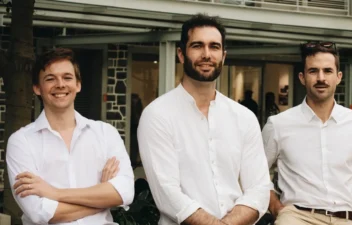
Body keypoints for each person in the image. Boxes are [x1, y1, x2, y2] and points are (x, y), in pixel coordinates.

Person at [138, 14, 272, 225]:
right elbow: (167, 193)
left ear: (223, 56)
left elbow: (260, 188)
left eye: (214, 47)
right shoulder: (157, 115)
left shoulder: (244, 117)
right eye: (198, 46)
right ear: (181, 54)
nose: (207, 54)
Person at [6, 48, 134, 225]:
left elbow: (125, 192)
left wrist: (54, 193)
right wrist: (102, 198)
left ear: (78, 85)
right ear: (37, 88)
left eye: (67, 77)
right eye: (50, 79)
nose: (60, 84)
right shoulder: (21, 141)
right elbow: (39, 213)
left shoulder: (105, 133)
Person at [262, 41, 352, 225]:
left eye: (327, 71)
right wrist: (276, 207)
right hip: (298, 217)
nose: (321, 78)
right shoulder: (278, 124)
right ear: (302, 77)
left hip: (347, 219)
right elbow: (256, 174)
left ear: (339, 77)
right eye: (313, 71)